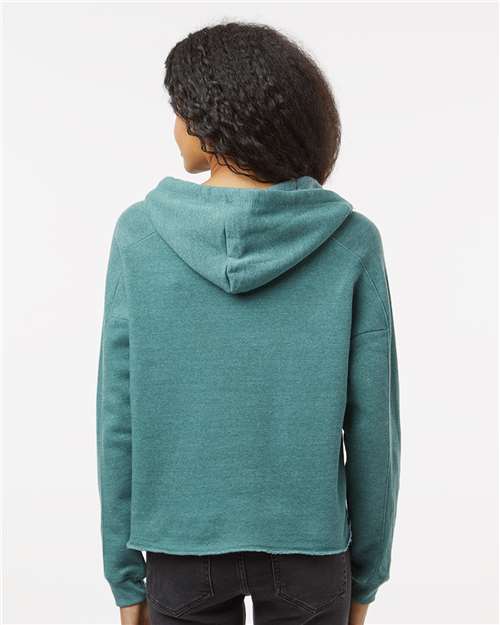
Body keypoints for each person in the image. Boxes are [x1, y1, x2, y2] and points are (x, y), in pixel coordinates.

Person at [96, 21, 401, 625]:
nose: (175, 127)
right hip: (311, 555)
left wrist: (125, 579)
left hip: (179, 548)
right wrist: (367, 576)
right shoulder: (350, 241)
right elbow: (374, 429)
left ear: (212, 121)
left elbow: (118, 419)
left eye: (180, 110)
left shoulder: (140, 236)